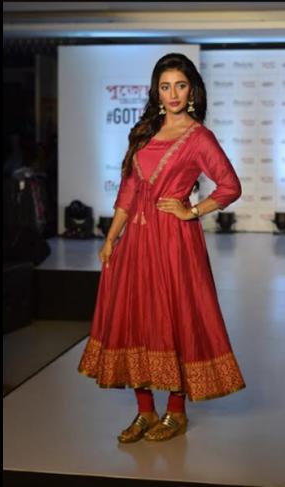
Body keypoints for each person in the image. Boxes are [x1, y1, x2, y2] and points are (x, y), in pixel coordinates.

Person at [77, 53, 245, 443]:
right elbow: (129, 191)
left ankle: (176, 412)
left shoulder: (199, 137)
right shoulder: (143, 132)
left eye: (180, 86)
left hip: (173, 241)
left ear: (192, 91)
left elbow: (230, 186)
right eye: (165, 86)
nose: (173, 94)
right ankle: (145, 411)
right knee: (135, 317)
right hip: (136, 241)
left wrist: (192, 211)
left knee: (173, 317)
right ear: (156, 91)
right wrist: (111, 238)